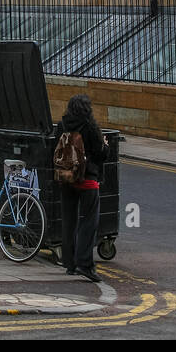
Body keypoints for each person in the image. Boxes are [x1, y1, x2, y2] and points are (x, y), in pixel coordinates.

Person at [56, 94, 108, 282]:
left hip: (67, 178)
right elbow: (101, 154)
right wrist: (105, 145)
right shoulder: (91, 127)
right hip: (87, 180)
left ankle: (69, 264)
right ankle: (85, 264)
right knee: (88, 222)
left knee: (69, 221)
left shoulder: (62, 125)